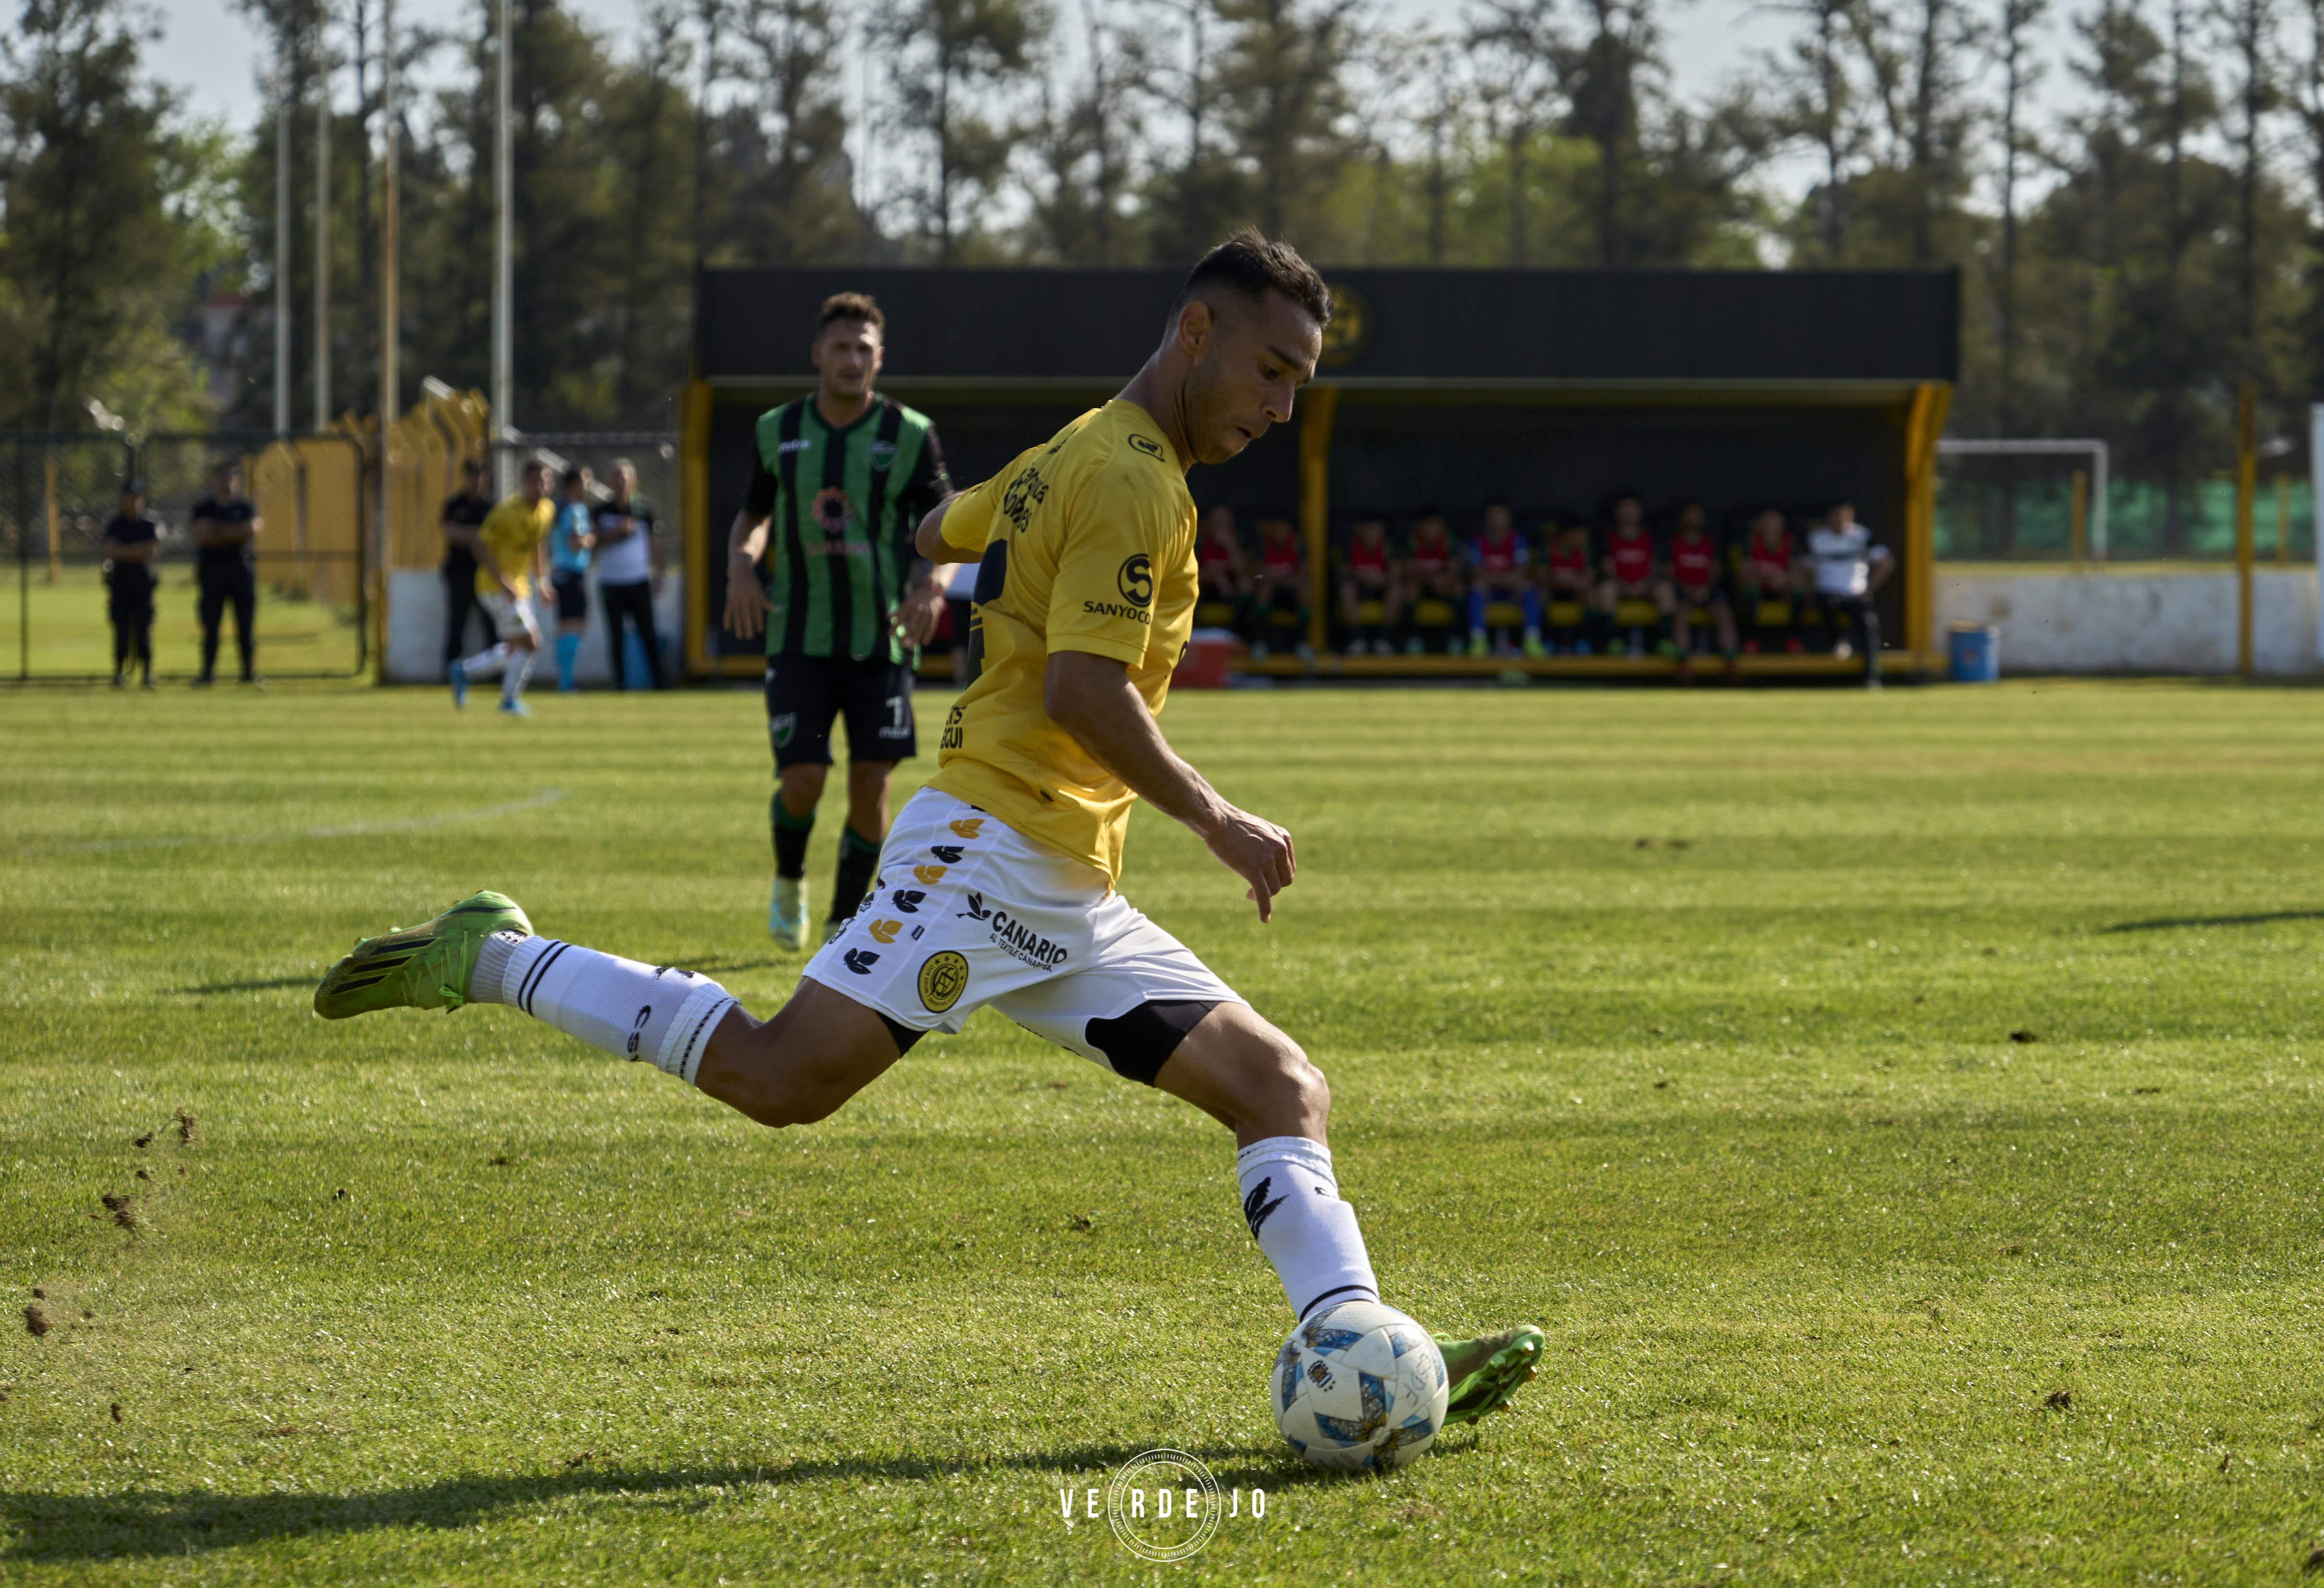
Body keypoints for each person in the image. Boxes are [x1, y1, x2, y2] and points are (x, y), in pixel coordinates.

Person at [313, 231, 1543, 1433]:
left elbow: (935, 530)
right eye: (1274, 371)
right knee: (780, 1078)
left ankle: (1368, 1359)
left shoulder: (1073, 454)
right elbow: (1082, 690)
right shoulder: (1130, 479)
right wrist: (1216, 816)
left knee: (1281, 1088)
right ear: (1197, 330)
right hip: (983, 858)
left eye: (1302, 383)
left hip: (1064, 885)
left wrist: (958, 554)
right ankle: (490, 957)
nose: (1282, 406)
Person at [722, 292, 954, 951]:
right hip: (798, 631)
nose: (852, 359)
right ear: (817, 354)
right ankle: (788, 877)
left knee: (871, 779)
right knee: (803, 779)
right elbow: (753, 514)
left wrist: (931, 586)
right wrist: (741, 566)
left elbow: (952, 522)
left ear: (880, 358)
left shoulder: (909, 434)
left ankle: (841, 922)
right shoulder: (777, 429)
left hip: (880, 637)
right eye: (841, 347)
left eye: (864, 349)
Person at [449, 457, 554, 716]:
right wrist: (503, 581)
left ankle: (465, 671)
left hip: (519, 587)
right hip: (494, 587)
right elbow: (479, 547)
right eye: (535, 481)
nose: (540, 486)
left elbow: (537, 546)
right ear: (525, 483)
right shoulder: (506, 512)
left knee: (515, 649)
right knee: (532, 643)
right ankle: (508, 700)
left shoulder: (547, 510)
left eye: (545, 480)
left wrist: (542, 583)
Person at [592, 458, 664, 690]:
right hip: (611, 582)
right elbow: (592, 544)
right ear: (609, 481)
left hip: (638, 580)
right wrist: (615, 534)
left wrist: (659, 574)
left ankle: (659, 681)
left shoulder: (644, 509)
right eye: (616, 475)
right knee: (616, 636)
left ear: (634, 480)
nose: (621, 480)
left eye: (625, 475)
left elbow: (654, 544)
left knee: (648, 633)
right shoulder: (600, 512)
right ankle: (619, 683)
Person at [1806, 499, 1894, 687]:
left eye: (1845, 515)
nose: (1840, 520)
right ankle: (1839, 640)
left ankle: (1872, 676)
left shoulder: (1862, 536)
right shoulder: (1816, 538)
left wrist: (1869, 589)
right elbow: (1801, 567)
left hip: (1856, 595)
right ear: (1829, 518)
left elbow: (1887, 562)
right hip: (1827, 595)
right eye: (1836, 516)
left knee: (1869, 622)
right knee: (1825, 604)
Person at [190, 461, 261, 687]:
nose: (228, 483)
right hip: (212, 571)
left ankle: (248, 673)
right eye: (223, 478)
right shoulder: (203, 508)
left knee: (246, 625)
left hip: (241, 571)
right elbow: (201, 535)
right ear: (214, 480)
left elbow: (250, 531)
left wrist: (218, 530)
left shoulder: (246, 507)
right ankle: (208, 673)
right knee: (211, 624)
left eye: (232, 478)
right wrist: (233, 532)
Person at [100, 481, 161, 689]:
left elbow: (152, 550)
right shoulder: (115, 524)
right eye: (129, 498)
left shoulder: (149, 524)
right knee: (121, 629)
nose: (132, 503)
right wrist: (138, 551)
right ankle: (119, 672)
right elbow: (112, 551)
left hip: (143, 584)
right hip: (120, 583)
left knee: (144, 630)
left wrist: (125, 551)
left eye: (136, 498)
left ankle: (147, 674)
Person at [1666, 501, 1737, 677]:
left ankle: (1730, 662)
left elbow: (1716, 571)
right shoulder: (1674, 542)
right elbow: (1668, 572)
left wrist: (1705, 590)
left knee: (1724, 613)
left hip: (1707, 592)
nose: (1694, 519)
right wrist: (1688, 590)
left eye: (1698, 515)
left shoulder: (1710, 543)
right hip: (1683, 592)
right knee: (1681, 613)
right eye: (1690, 515)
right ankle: (1683, 664)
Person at [1466, 500, 1544, 659]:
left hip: (1511, 592)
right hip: (1490, 593)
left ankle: (1532, 640)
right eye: (1493, 515)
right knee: (1477, 586)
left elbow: (1522, 571)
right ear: (1487, 518)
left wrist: (1497, 578)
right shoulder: (1479, 541)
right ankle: (1478, 641)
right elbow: (1476, 573)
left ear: (1508, 517)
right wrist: (1501, 578)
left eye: (1501, 515)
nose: (1497, 519)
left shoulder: (1517, 540)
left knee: (1528, 586)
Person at [440, 459, 495, 677]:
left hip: (484, 575)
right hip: (459, 574)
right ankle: (449, 672)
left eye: (481, 476)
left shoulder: (490, 507)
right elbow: (451, 534)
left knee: (491, 627)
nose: (477, 481)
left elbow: (493, 539)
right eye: (473, 476)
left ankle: (494, 674)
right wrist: (480, 535)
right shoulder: (454, 505)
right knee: (456, 625)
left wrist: (468, 535)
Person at [1597, 494, 1668, 657]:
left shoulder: (1650, 536)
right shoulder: (1609, 537)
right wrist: (1625, 586)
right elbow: (1608, 567)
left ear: (1640, 511)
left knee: (1665, 589)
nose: (1629, 512)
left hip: (1646, 586)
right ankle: (1615, 640)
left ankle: (1663, 641)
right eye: (1624, 508)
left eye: (1632, 507)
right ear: (1616, 512)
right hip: (1620, 586)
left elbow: (1655, 567)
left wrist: (1645, 584)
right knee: (1606, 590)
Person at [547, 465, 595, 692]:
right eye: (587, 479)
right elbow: (575, 543)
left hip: (559, 572)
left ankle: (564, 679)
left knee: (565, 627)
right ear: (576, 484)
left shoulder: (558, 506)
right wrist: (591, 540)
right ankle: (566, 681)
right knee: (575, 626)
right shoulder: (574, 509)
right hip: (572, 573)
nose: (590, 484)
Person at [1737, 508, 1803, 654]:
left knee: (1798, 587)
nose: (1771, 527)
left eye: (1775, 523)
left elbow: (1798, 572)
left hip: (1782, 589)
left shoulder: (1790, 542)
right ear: (1760, 525)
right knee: (1751, 587)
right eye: (1767, 523)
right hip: (1760, 588)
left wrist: (1784, 578)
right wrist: (1766, 578)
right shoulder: (1751, 541)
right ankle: (1751, 640)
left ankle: (1794, 640)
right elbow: (1744, 571)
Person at [1398, 509, 1463, 655]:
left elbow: (1455, 568)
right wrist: (1430, 579)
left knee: (1458, 588)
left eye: (1436, 525)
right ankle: (1413, 637)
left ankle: (1455, 637)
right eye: (1428, 525)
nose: (1432, 530)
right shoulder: (1413, 540)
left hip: (1442, 587)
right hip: (1421, 585)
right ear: (1420, 527)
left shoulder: (1448, 539)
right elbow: (1409, 570)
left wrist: (1445, 580)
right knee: (1409, 590)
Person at [1249, 513, 1307, 661]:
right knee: (1265, 589)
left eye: (1283, 528)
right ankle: (1260, 642)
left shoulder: (1297, 545)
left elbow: (1304, 575)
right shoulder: (1263, 546)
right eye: (1276, 528)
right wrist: (1266, 577)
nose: (1279, 532)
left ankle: (1302, 642)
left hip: (1290, 593)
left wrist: (1285, 580)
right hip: (1268, 592)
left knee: (1305, 591)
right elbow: (1256, 575)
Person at [1337, 514, 1395, 656]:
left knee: (1396, 589)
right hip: (1359, 589)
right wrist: (1361, 576)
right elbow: (1343, 572)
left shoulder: (1388, 546)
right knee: (1346, 588)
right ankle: (1358, 639)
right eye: (1370, 529)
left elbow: (1397, 573)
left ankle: (1384, 640)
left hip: (1380, 590)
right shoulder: (1351, 545)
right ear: (1361, 530)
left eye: (1377, 529)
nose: (1373, 533)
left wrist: (1382, 579)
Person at [1543, 521, 1597, 655]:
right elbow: (1541, 575)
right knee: (1541, 593)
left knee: (1590, 594)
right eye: (1580, 535)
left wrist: (1572, 582)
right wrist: (1563, 582)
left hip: (1575, 593)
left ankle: (1583, 639)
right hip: (1554, 592)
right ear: (1567, 535)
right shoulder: (1550, 548)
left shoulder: (1586, 550)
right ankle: (1547, 639)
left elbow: (1590, 576)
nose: (1584, 539)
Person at [1195, 503, 1249, 628]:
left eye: (1223, 518)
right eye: (1216, 518)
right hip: (1207, 586)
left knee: (1246, 584)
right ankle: (1195, 630)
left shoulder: (1239, 539)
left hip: (1231, 590)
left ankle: (1242, 632)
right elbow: (1191, 570)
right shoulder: (1200, 540)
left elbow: (1243, 571)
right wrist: (1217, 578)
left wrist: (1231, 546)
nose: (1220, 522)